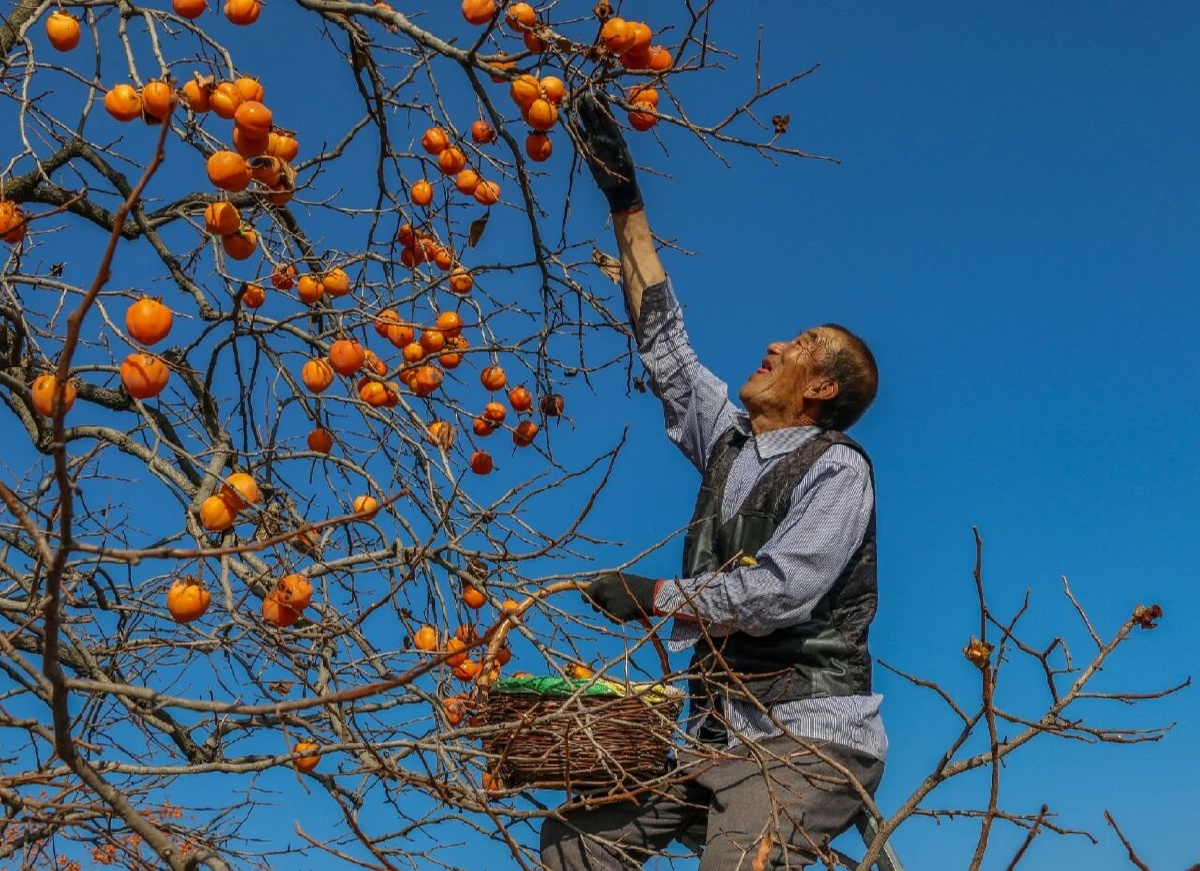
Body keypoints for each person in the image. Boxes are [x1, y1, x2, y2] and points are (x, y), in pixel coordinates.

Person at [539, 94, 887, 870]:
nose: (772, 342)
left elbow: (781, 591)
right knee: (577, 838)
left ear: (821, 389)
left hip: (809, 734)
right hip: (717, 736)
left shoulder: (836, 468)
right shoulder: (729, 441)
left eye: (799, 344)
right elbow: (663, 342)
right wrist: (624, 201)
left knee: (740, 862)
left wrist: (655, 595)